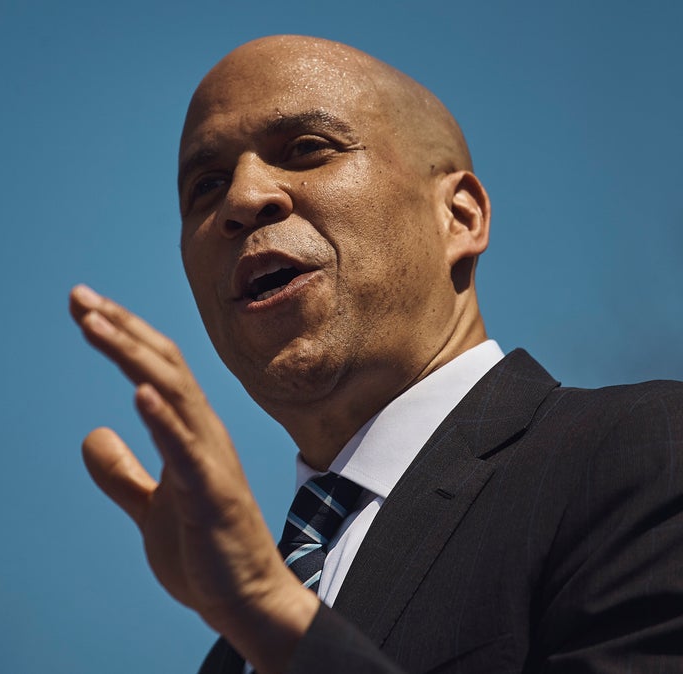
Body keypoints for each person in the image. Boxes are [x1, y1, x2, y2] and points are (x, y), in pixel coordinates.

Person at [70, 35, 683, 674]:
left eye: (306, 149)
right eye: (206, 184)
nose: (243, 198)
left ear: (460, 216)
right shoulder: (232, 655)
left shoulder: (648, 450)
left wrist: (271, 615)